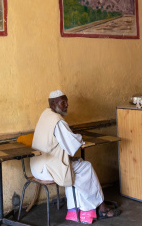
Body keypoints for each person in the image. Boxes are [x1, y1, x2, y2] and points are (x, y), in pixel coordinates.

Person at [30, 90, 120, 224]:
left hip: (36, 167)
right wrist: (79, 137)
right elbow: (72, 144)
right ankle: (100, 208)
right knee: (85, 167)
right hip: (47, 169)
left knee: (75, 169)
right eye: (63, 102)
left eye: (67, 101)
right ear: (54, 103)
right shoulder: (57, 121)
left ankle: (77, 211)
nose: (66, 105)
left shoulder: (45, 114)